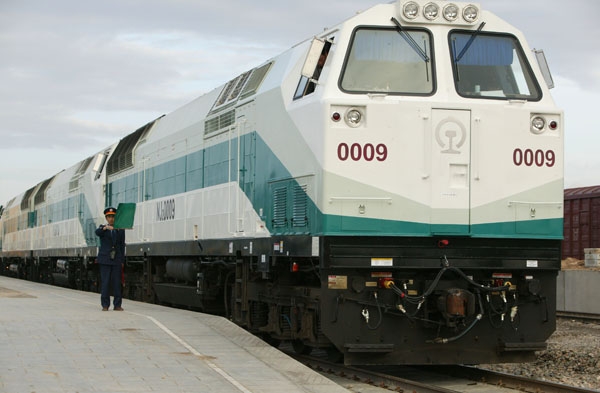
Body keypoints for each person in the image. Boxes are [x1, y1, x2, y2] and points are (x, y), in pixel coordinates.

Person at [95, 207, 126, 311]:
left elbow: (122, 245)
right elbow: (97, 232)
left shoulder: (120, 229)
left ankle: (117, 305)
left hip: (116, 259)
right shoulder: (103, 228)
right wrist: (105, 228)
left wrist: (122, 260)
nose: (111, 219)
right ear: (106, 218)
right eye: (109, 217)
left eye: (113, 216)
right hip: (105, 260)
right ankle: (105, 305)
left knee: (117, 283)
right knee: (105, 283)